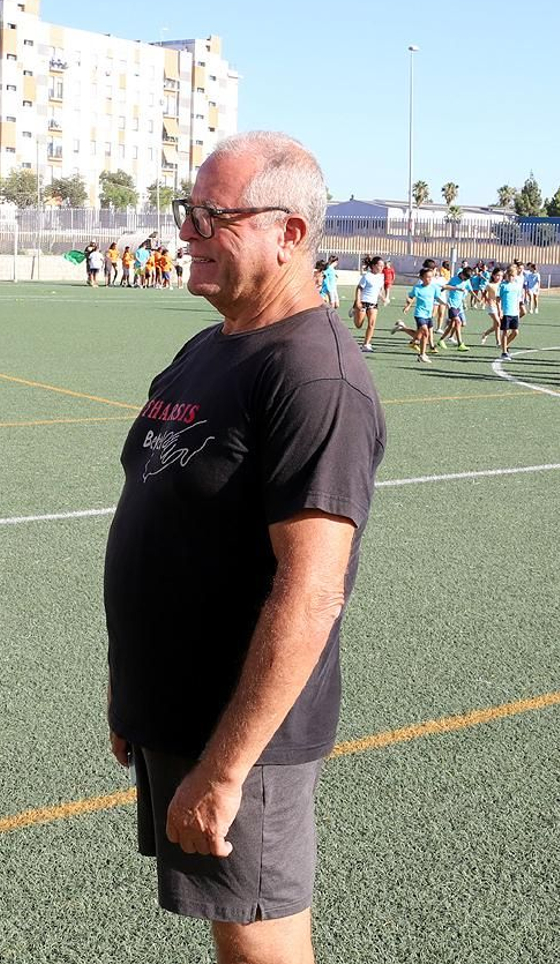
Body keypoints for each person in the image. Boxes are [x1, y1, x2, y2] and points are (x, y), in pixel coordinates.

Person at [106, 132, 385, 964]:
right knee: (234, 931)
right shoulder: (211, 347)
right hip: (180, 710)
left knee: (260, 937)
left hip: (244, 731)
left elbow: (311, 591)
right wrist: (136, 693)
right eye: (186, 212)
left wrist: (227, 768)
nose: (185, 232)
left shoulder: (313, 375)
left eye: (210, 216)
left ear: (288, 233)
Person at [352, 256, 384, 352]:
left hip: (373, 303)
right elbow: (359, 288)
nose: (382, 268)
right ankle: (355, 312)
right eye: (380, 265)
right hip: (363, 302)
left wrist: (383, 298)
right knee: (359, 325)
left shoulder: (381, 277)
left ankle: (366, 344)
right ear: (374, 266)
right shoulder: (367, 276)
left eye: (383, 266)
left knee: (371, 324)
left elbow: (379, 290)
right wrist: (357, 301)